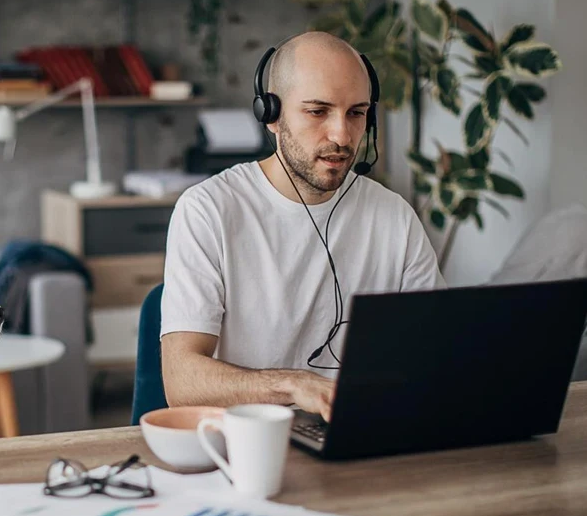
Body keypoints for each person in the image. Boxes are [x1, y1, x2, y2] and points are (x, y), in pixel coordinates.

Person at [160, 32, 445, 421]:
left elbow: (436, 351)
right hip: (250, 446)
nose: (342, 136)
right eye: (317, 112)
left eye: (357, 113)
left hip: (362, 433)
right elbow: (182, 383)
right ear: (271, 115)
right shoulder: (208, 210)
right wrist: (294, 385)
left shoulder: (393, 215)